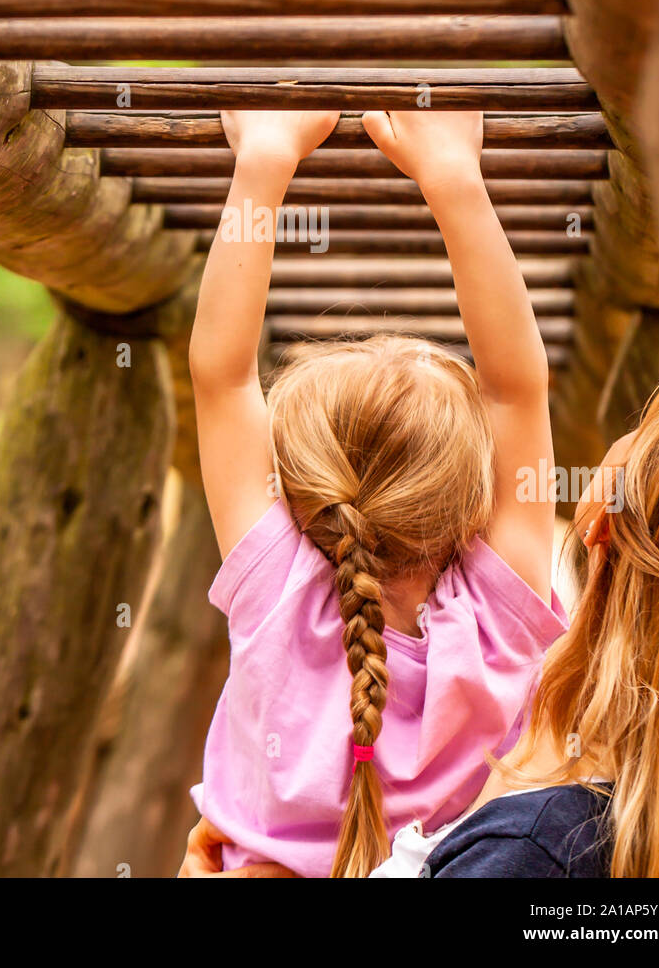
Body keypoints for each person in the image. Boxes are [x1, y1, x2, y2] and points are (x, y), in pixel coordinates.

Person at [186, 107, 566, 878]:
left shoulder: (278, 592)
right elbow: (519, 389)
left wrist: (264, 159)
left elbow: (220, 376)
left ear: (301, 484)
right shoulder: (499, 621)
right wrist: (456, 180)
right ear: (473, 492)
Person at [181, 346, 659, 880]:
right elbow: (516, 386)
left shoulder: (536, 844)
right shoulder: (500, 643)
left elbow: (221, 375)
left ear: (602, 524)